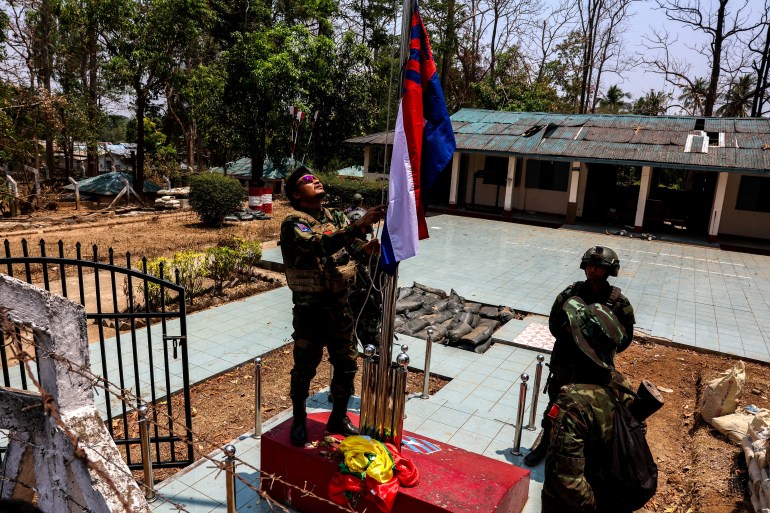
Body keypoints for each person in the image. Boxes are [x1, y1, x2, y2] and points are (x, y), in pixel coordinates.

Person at [280, 167, 385, 446]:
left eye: (315, 176)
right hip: (310, 308)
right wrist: (357, 225)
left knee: (347, 363)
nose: (315, 179)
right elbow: (319, 245)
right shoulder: (294, 223)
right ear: (295, 194)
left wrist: (367, 248)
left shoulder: (334, 216)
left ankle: (338, 417)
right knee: (305, 365)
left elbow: (350, 247)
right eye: (306, 180)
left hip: (339, 304)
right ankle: (300, 418)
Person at [525, 245, 635, 466]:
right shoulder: (570, 293)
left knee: (590, 412)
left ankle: (582, 453)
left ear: (609, 271)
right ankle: (546, 444)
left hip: (595, 367)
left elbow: (625, 338)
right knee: (555, 407)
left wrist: (599, 348)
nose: (593, 270)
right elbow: (554, 324)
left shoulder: (619, 302)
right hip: (565, 363)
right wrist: (572, 337)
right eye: (590, 266)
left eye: (599, 267)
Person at [542, 297, 636, 513]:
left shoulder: (573, 402)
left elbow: (568, 482)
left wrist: (596, 506)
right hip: (607, 488)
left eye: (571, 329)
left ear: (579, 344)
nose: (565, 330)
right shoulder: (621, 384)